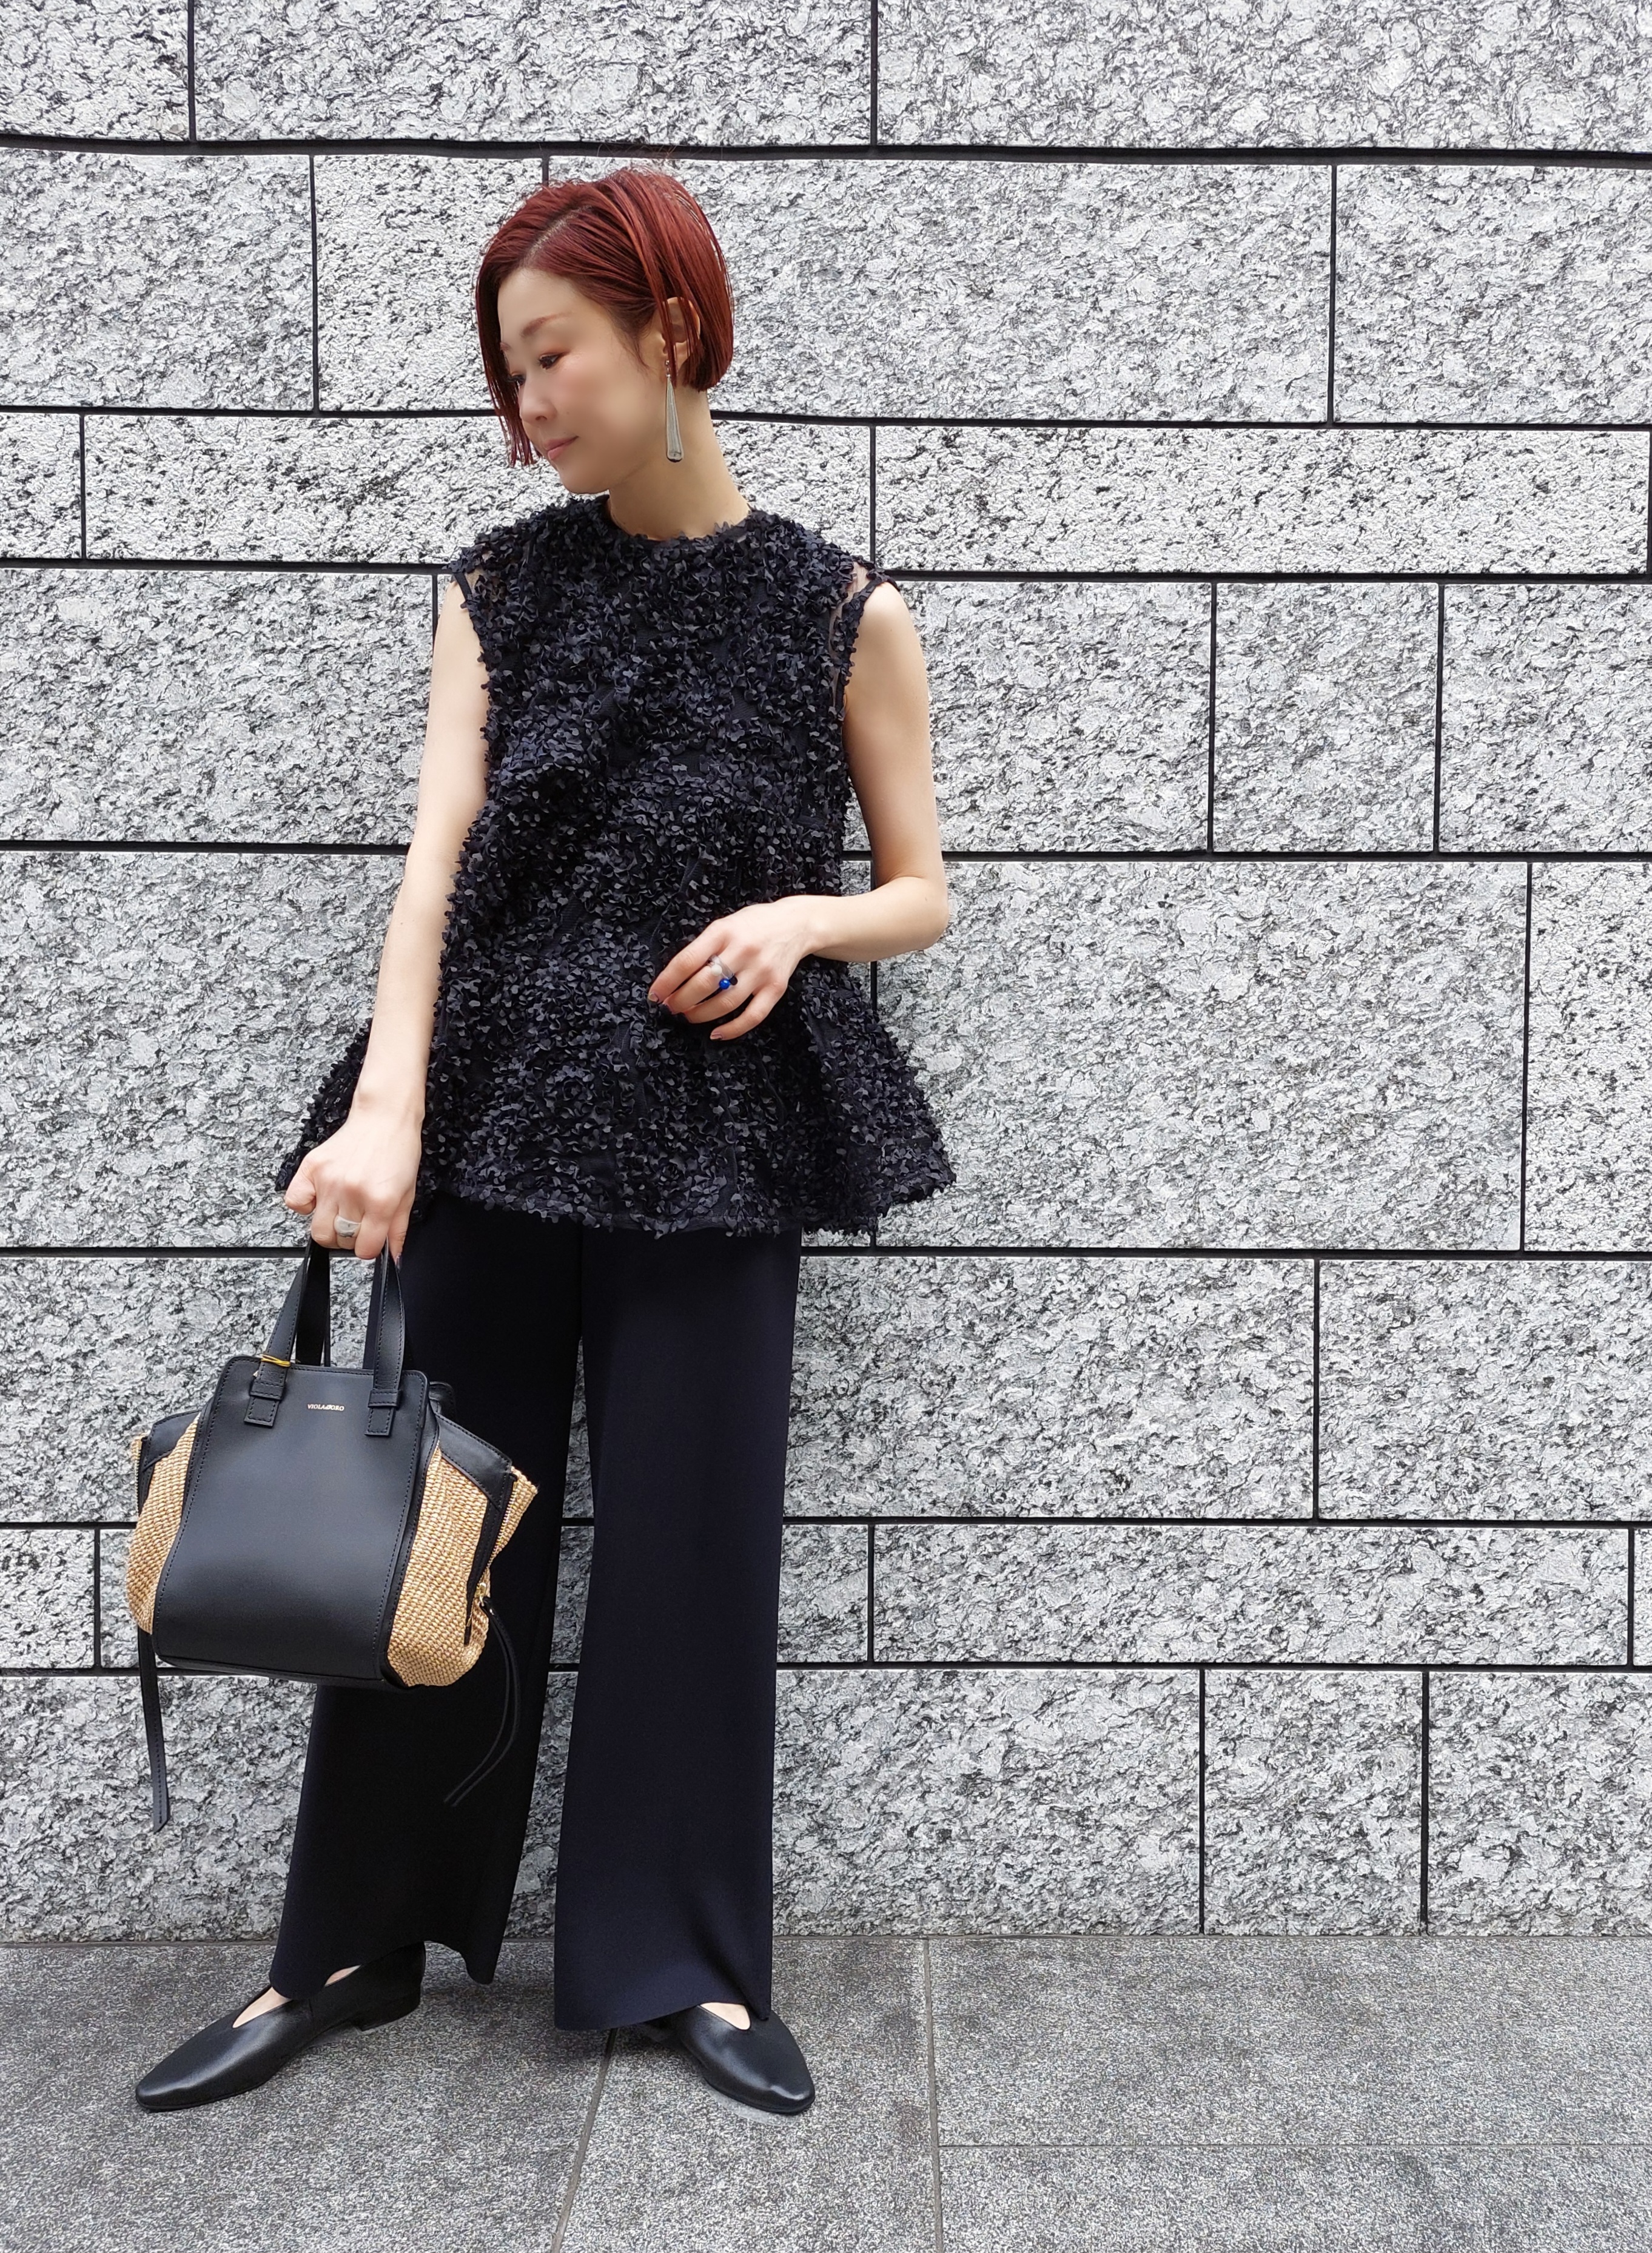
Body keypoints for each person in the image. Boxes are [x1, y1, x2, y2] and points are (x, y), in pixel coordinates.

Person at [133, 164, 953, 2120]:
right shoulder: (500, 585)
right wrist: (388, 1106)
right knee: (424, 1525)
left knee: (691, 1543)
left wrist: (802, 920)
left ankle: (687, 1961)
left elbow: (924, 887)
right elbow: (435, 871)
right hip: (493, 1110)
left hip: (717, 1123)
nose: (527, 404)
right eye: (507, 371)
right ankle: (347, 1943)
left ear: (671, 330)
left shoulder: (843, 610)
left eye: (551, 354)